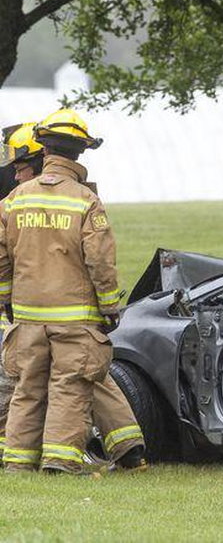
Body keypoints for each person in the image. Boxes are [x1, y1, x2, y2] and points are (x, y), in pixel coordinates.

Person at [0, 110, 142, 474]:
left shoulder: (14, 201)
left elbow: (2, 258)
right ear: (80, 153)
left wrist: (7, 300)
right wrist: (110, 308)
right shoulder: (84, 201)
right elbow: (100, 260)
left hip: (27, 316)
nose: (15, 172)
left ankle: (16, 463)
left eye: (20, 165)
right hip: (75, 315)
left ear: (43, 150)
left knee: (28, 388)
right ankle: (62, 462)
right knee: (72, 384)